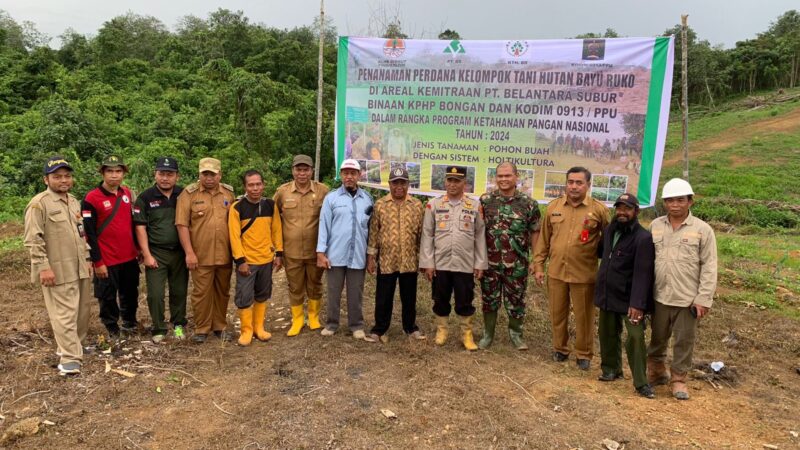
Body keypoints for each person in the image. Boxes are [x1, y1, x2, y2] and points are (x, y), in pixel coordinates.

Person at [647, 178, 717, 400]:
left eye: (679, 200)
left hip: (687, 298)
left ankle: (678, 379)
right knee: (657, 337)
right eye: (669, 200)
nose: (674, 205)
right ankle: (657, 371)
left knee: (684, 340)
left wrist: (703, 298)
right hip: (659, 295)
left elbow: (709, 266)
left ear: (690, 201)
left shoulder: (702, 230)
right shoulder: (655, 225)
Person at [533, 167, 609, 370]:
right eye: (570, 182)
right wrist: (538, 265)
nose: (574, 186)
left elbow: (609, 241)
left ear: (588, 185)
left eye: (579, 183)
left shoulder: (599, 210)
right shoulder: (553, 208)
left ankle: (584, 353)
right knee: (557, 313)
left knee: (584, 316)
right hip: (556, 272)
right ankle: (560, 349)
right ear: (566, 183)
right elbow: (544, 240)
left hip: (584, 274)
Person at [24, 156, 93, 376]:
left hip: (79, 266)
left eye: (67, 176)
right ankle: (69, 358)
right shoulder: (39, 204)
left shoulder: (73, 201)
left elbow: (81, 233)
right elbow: (33, 239)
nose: (63, 180)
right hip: (57, 269)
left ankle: (76, 346)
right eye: (57, 177)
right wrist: (43, 266)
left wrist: (88, 258)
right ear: (46, 179)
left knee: (82, 311)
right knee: (64, 314)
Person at [420, 165, 488, 351]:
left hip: (465, 264)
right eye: (449, 180)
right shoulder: (434, 205)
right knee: (440, 298)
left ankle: (466, 334)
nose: (452, 184)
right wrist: (428, 263)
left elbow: (480, 236)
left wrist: (480, 263)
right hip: (440, 263)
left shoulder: (474, 206)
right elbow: (427, 235)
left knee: (465, 300)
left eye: (457, 181)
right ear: (445, 182)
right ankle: (441, 331)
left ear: (464, 183)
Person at [594, 193, 656, 399]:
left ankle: (641, 382)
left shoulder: (643, 238)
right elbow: (602, 253)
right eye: (619, 208)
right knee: (607, 333)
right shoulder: (610, 229)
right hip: (608, 294)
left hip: (630, 300)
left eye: (627, 209)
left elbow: (643, 274)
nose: (622, 212)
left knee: (635, 338)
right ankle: (611, 369)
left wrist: (638, 304)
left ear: (636, 212)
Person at [478, 162, 541, 350]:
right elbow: (478, 231)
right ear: (495, 178)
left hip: (517, 263)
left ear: (516, 177)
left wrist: (536, 261)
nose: (503, 179)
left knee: (516, 300)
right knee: (489, 300)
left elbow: (535, 232)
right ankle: (488, 334)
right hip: (490, 263)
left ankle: (516, 334)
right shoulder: (485, 200)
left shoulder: (528, 204)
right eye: (500, 176)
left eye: (507, 176)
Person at [175, 157, 235, 343]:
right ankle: (202, 327)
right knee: (201, 293)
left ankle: (219, 325)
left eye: (213, 174)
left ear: (220, 175)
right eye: (205, 174)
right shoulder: (189, 194)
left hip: (225, 254)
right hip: (200, 255)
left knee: (222, 291)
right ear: (200, 174)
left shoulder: (228, 193)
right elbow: (182, 224)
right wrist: (189, 253)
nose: (209, 178)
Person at [366, 167, 426, 343]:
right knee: (383, 297)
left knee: (409, 297)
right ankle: (379, 329)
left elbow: (421, 234)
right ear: (390, 184)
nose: (399, 186)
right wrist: (371, 257)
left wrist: (423, 259)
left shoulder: (416, 205)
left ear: (408, 184)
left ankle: (410, 327)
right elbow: (374, 233)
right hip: (387, 260)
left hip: (409, 260)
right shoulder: (380, 205)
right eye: (395, 183)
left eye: (402, 182)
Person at [82, 155, 140, 338]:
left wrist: (138, 249)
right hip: (106, 258)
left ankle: (130, 323)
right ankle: (112, 328)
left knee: (130, 293)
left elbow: (133, 223)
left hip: (129, 256)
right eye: (110, 171)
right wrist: (97, 261)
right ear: (102, 173)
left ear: (123, 173)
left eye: (118, 171)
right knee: (107, 296)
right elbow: (89, 233)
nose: (114, 175)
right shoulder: (92, 198)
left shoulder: (127, 194)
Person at [316, 158, 373, 340]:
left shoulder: (367, 199)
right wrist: (321, 253)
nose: (349, 177)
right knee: (333, 291)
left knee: (356, 292)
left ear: (359, 175)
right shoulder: (331, 198)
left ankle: (356, 325)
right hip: (335, 254)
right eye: (346, 173)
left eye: (353, 173)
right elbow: (323, 226)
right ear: (341, 175)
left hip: (358, 254)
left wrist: (371, 255)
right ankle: (332, 324)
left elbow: (371, 228)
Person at [273, 155, 330, 336]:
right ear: (293, 171)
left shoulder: (323, 191)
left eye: (306, 169)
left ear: (312, 171)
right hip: (292, 251)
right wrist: (277, 251)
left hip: (316, 250)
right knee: (295, 286)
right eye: (298, 169)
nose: (302, 173)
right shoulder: (282, 192)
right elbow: (272, 220)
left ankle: (313, 317)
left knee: (315, 283)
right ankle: (297, 320)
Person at [133, 157, 188, 343]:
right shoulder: (145, 198)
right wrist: (146, 254)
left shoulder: (184, 195)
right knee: (155, 294)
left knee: (179, 291)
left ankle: (179, 326)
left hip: (180, 252)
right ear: (155, 174)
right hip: (157, 252)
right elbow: (140, 227)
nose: (165, 178)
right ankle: (159, 328)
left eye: (170, 174)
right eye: (161, 174)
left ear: (177, 176)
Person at [228, 170, 283, 346]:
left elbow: (276, 230)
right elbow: (234, 236)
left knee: (262, 294)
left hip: (266, 259)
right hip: (247, 261)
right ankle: (246, 331)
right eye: (251, 185)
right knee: (244, 296)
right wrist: (240, 260)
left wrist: (279, 253)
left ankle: (259, 328)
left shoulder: (270, 205)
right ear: (245, 187)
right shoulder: (237, 208)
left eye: (258, 184)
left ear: (263, 185)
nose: (255, 188)